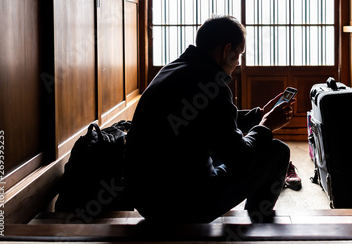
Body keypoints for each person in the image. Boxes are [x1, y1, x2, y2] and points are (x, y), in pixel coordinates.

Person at [124, 15, 295, 224]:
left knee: (224, 147)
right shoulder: (212, 84)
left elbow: (209, 120)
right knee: (276, 151)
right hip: (184, 206)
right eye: (239, 54)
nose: (239, 63)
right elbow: (240, 158)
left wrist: (258, 115)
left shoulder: (174, 68)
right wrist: (266, 126)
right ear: (226, 50)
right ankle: (256, 224)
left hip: (146, 200)